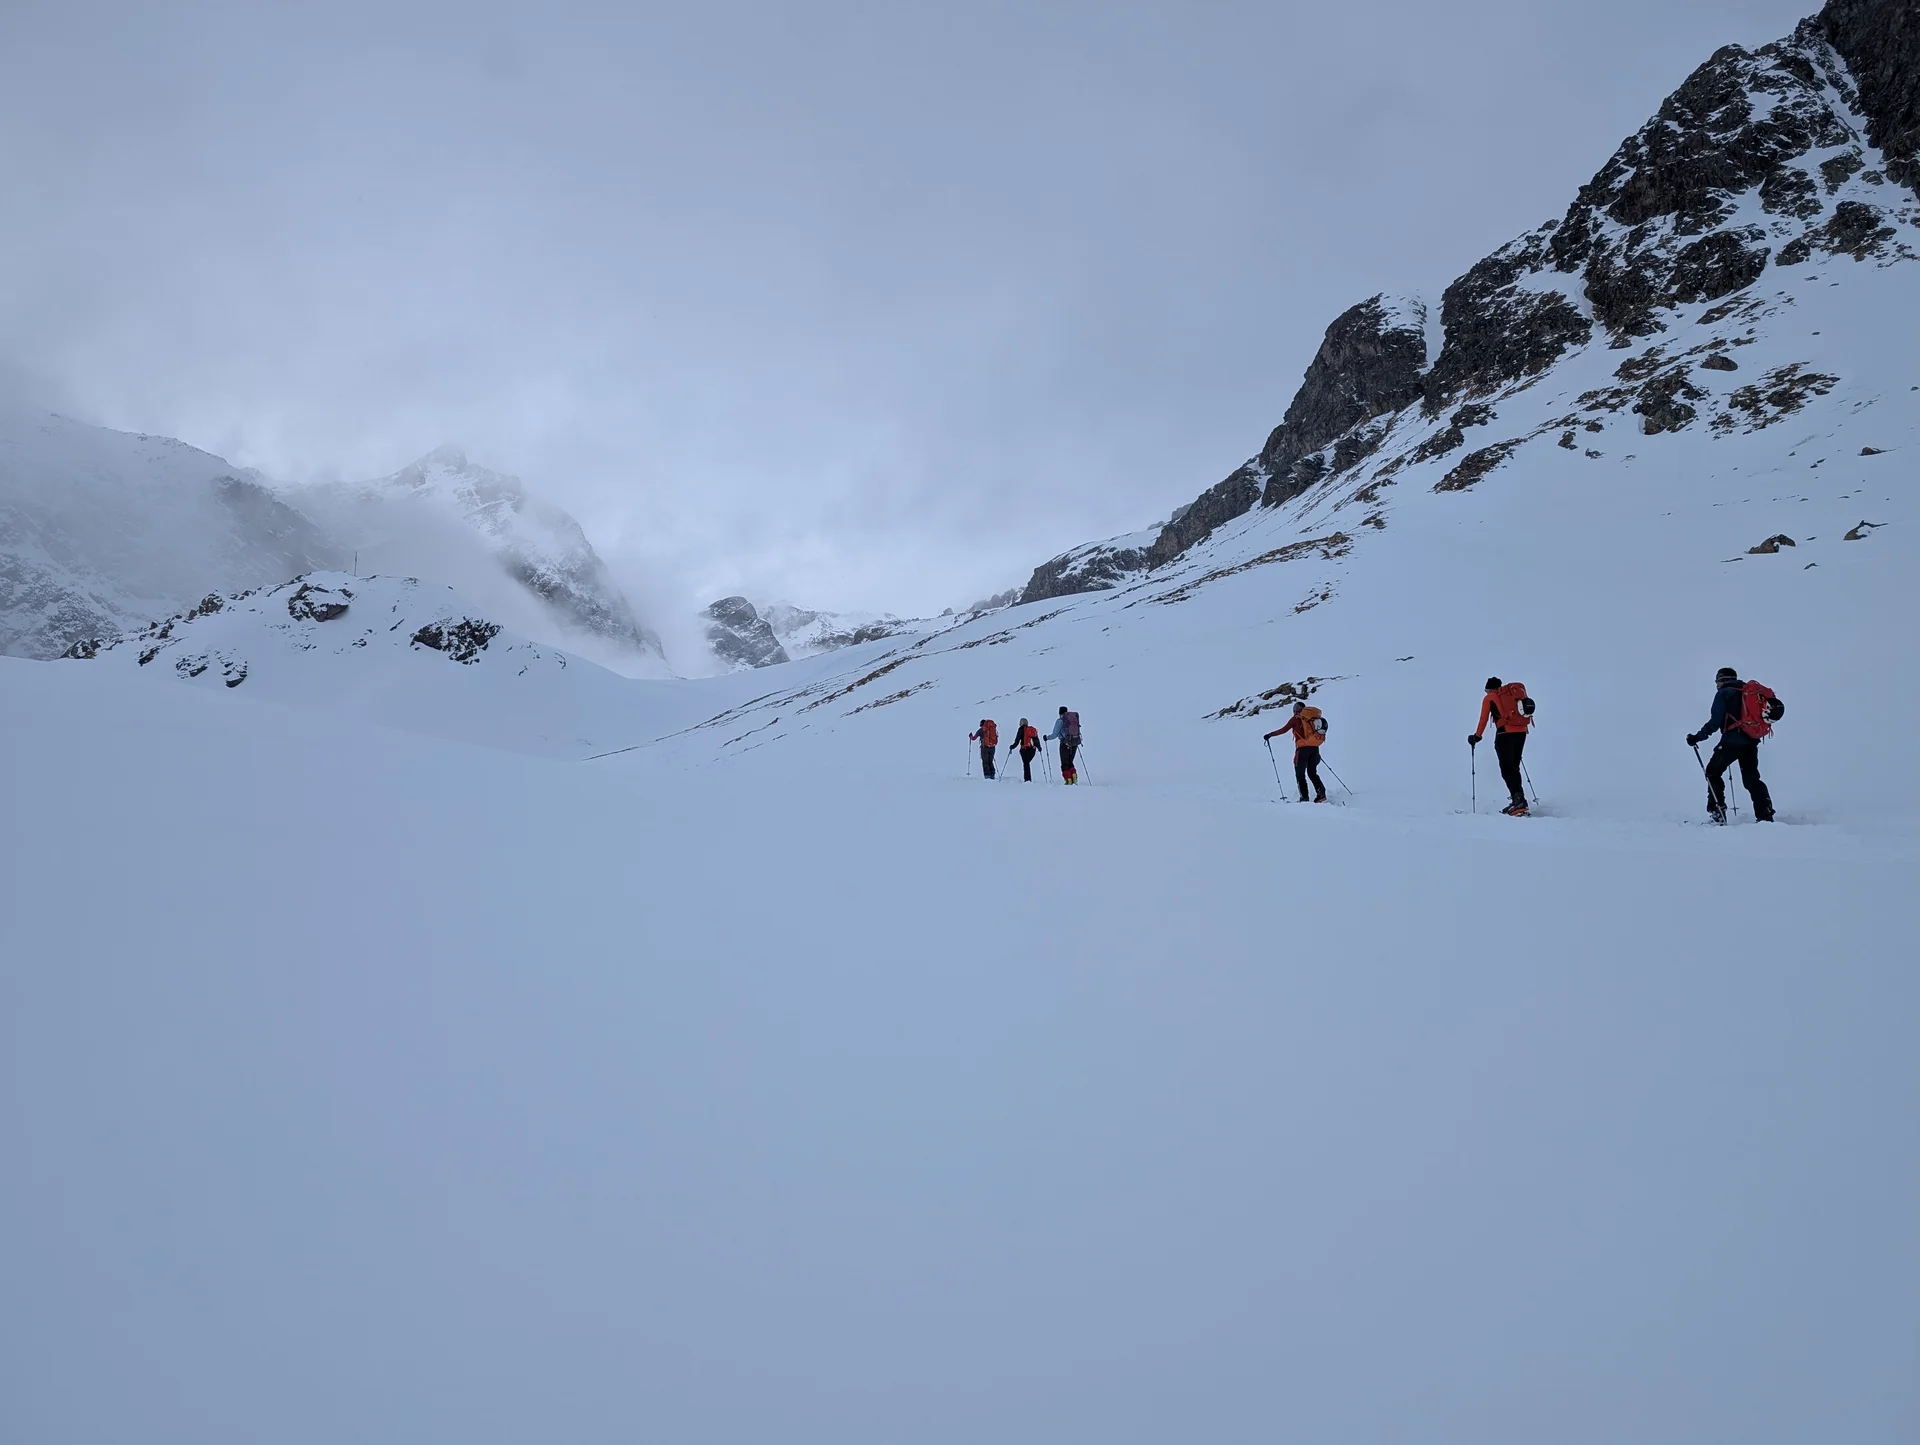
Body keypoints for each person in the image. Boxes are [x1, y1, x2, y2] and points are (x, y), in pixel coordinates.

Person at [1687, 667, 1776, 823]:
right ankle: (1765, 814)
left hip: (1732, 741)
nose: (1716, 685)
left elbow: (1715, 722)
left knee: (1713, 773)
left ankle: (1718, 814)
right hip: (1750, 741)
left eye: (1717, 681)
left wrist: (1697, 737)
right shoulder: (1748, 692)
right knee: (1752, 779)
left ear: (1722, 680)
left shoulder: (1723, 693)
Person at [1469, 676, 1533, 816]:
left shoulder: (1490, 698)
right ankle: (1518, 799)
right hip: (1522, 732)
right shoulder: (1513, 695)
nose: (1486, 693)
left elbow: (1483, 718)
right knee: (1514, 767)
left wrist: (1477, 736)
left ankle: (1518, 801)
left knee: (1506, 768)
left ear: (1490, 689)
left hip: (1505, 734)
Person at [1263, 701, 1327, 802]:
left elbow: (1283, 730)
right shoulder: (1311, 719)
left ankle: (1304, 798)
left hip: (1302, 750)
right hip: (1314, 749)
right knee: (1312, 773)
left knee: (1300, 774)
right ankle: (1321, 793)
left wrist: (1270, 735)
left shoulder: (1295, 719)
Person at [1047, 705, 1082, 784]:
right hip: (1074, 742)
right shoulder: (1073, 720)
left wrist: (1047, 737)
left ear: (1060, 713)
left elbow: (1055, 735)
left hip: (1064, 743)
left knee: (1064, 763)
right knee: (1070, 761)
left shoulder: (1060, 721)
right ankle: (1074, 777)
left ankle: (1068, 780)